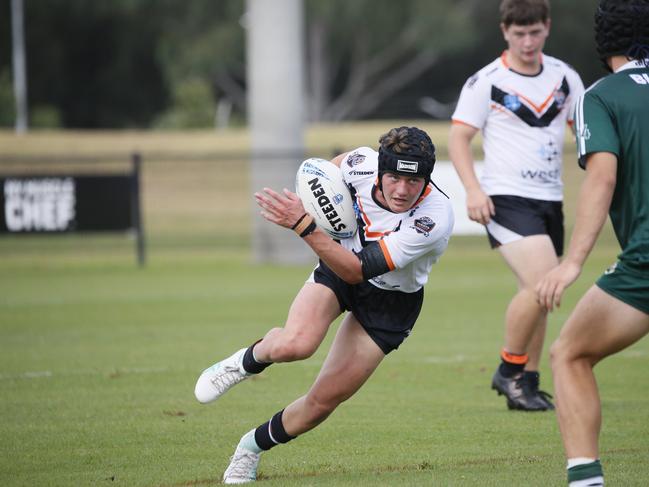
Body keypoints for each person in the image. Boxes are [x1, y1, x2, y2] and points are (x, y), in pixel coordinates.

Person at [194, 126, 454, 484]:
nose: (403, 190)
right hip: (338, 266)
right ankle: (243, 362)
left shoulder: (433, 218)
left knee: (321, 403)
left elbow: (358, 270)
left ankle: (249, 448)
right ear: (381, 170)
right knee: (295, 344)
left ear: (426, 179)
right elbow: (328, 173)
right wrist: (318, 211)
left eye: (415, 181)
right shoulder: (361, 163)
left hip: (388, 302)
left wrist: (304, 226)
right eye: (394, 177)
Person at [448, 0, 584, 411]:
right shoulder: (487, 81)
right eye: (519, 33)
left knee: (542, 293)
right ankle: (508, 371)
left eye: (535, 32)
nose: (528, 41)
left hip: (550, 199)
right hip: (505, 198)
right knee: (543, 281)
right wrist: (473, 190)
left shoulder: (565, 77)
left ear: (547, 27)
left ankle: (527, 382)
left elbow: (585, 130)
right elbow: (458, 138)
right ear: (505, 31)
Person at [535, 1, 649, 484]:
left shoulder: (601, 96)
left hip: (645, 265)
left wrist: (571, 262)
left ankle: (586, 480)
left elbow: (601, 180)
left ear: (604, 46)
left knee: (569, 354)